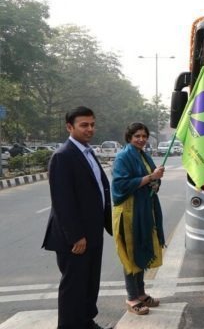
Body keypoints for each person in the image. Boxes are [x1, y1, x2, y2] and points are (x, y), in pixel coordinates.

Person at [42, 106, 112, 329]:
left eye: (92, 124)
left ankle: (86, 322)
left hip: (93, 233)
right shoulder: (63, 156)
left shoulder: (88, 153)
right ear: (69, 127)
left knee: (89, 284)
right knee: (74, 288)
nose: (89, 129)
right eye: (84, 125)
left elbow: (99, 189)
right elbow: (62, 201)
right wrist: (76, 236)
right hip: (75, 239)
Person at [111, 122, 166, 315]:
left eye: (144, 136)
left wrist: (155, 182)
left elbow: (152, 181)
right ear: (129, 137)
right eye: (137, 136)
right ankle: (132, 297)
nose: (141, 139)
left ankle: (141, 294)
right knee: (130, 255)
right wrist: (151, 177)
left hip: (143, 210)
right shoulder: (123, 157)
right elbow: (121, 185)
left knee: (142, 249)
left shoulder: (144, 155)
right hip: (128, 212)